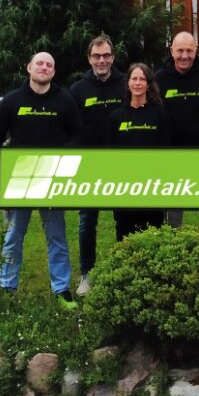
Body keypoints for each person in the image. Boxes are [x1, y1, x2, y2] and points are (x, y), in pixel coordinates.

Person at [0, 50, 79, 299]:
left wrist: (61, 160)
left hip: (52, 179)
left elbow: (79, 136)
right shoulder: (12, 100)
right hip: (19, 178)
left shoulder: (65, 100)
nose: (44, 67)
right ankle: (7, 287)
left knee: (57, 236)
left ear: (53, 71)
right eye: (39, 63)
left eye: (49, 64)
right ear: (29, 68)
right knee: (13, 236)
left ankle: (61, 289)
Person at [69, 33, 125, 279]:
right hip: (89, 165)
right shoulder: (78, 89)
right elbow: (70, 128)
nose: (101, 60)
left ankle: (124, 270)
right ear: (89, 59)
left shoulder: (127, 84)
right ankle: (86, 274)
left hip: (121, 163)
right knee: (87, 221)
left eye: (106, 55)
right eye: (96, 56)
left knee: (123, 219)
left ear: (112, 58)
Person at [157, 29, 199, 225]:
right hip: (172, 156)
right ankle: (173, 252)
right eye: (180, 51)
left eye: (189, 50)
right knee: (172, 218)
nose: (184, 56)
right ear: (171, 51)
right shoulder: (159, 79)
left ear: (196, 50)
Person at [112, 61, 171, 242]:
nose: (137, 83)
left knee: (153, 235)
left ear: (148, 84)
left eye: (142, 79)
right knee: (125, 236)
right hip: (125, 188)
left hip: (152, 187)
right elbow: (110, 156)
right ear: (128, 83)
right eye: (134, 79)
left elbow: (166, 150)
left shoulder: (159, 114)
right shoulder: (116, 117)